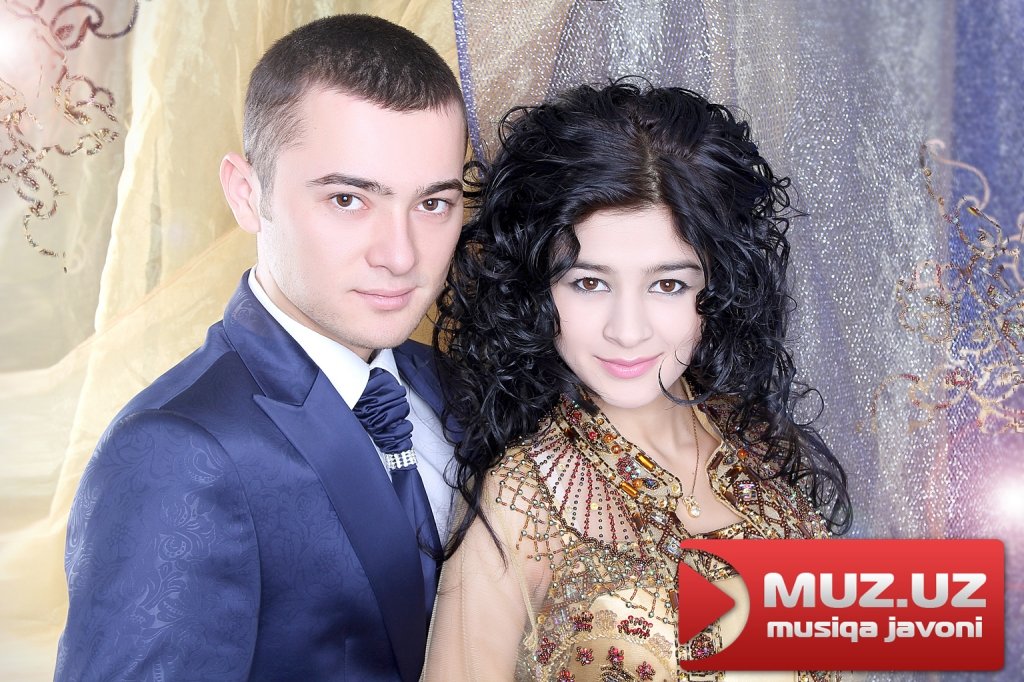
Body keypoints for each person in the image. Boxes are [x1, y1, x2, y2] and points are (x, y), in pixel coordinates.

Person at [55, 14, 466, 681]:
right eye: (348, 200)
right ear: (247, 194)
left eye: (433, 204)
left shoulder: (450, 386)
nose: (401, 256)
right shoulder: (176, 451)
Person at [424, 80, 852, 681]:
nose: (627, 331)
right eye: (589, 283)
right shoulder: (521, 501)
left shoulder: (755, 444)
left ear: (717, 287)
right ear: (536, 286)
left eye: (668, 285)